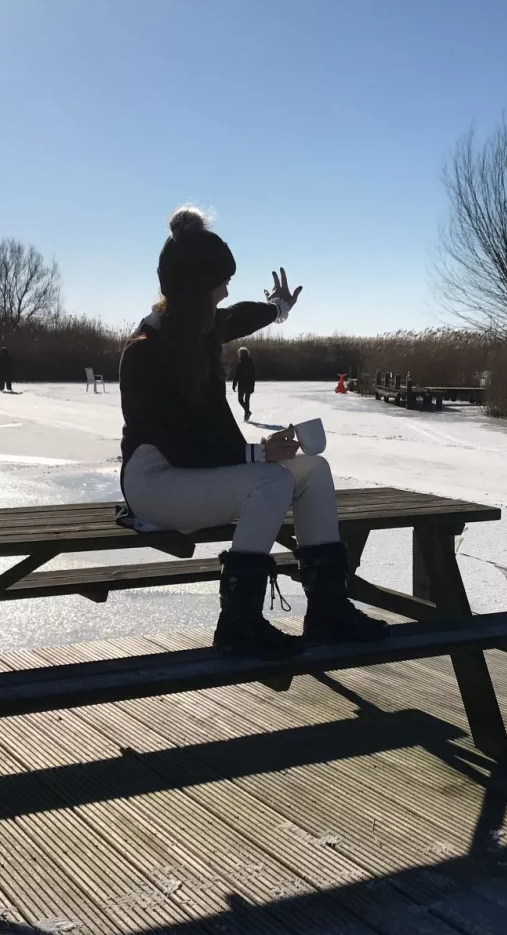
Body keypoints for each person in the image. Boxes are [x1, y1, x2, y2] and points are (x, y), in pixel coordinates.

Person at [118, 207, 387, 659]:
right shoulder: (145, 354)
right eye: (217, 285)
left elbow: (240, 316)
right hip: (154, 484)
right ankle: (238, 622)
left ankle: (327, 609)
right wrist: (256, 454)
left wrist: (280, 309)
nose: (224, 292)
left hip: (199, 473)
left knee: (313, 470)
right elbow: (181, 447)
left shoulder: (199, 330)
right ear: (191, 291)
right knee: (274, 478)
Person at [232, 346, 257, 421]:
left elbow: (237, 374)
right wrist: (253, 384)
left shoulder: (241, 362)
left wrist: (234, 383)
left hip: (242, 383)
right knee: (247, 400)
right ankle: (246, 414)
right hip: (249, 383)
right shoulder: (250, 362)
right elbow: (253, 374)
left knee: (240, 399)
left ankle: (247, 412)